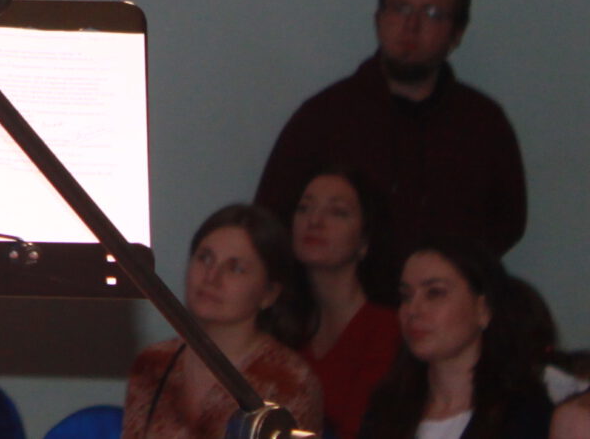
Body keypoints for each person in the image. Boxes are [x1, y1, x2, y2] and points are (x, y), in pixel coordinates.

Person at [255, 0, 527, 257]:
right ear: (378, 20)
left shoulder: (483, 124)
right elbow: (270, 223)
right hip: (340, 289)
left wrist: (454, 272)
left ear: (457, 33)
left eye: (432, 14)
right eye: (400, 9)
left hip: (444, 286)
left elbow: (508, 223)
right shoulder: (323, 118)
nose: (411, 26)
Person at [123, 204, 324, 439]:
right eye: (205, 258)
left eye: (235, 268)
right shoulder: (152, 364)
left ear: (269, 293)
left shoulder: (290, 380)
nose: (211, 276)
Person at [360, 240, 553, 439]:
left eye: (434, 293)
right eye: (406, 296)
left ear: (483, 309)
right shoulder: (385, 412)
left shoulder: (523, 415)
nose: (413, 310)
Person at [293, 165, 399, 439]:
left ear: (364, 240)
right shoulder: (284, 324)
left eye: (337, 212)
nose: (314, 221)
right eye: (304, 208)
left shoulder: (386, 330)